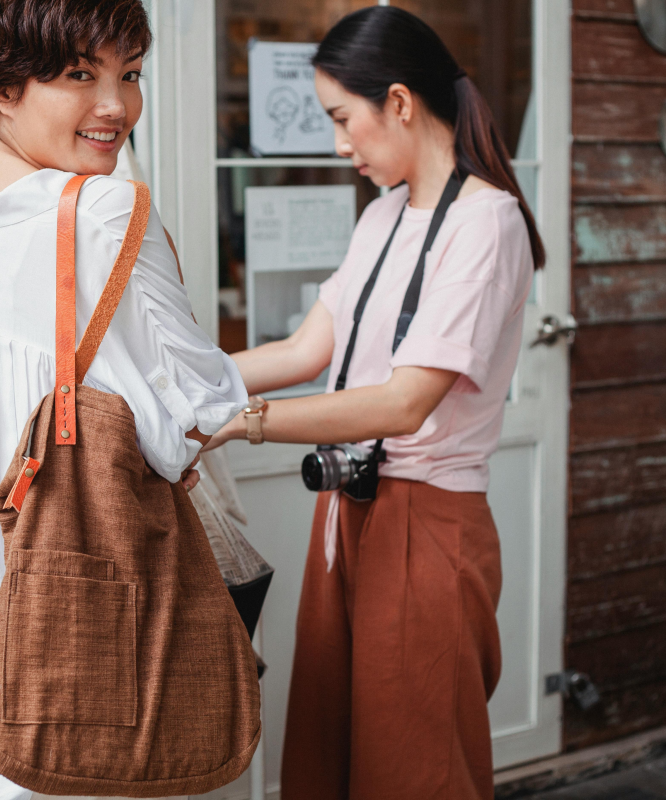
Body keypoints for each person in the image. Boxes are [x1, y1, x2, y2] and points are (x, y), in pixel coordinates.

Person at [0, 1, 246, 798]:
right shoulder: (105, 213)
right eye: (81, 74)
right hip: (57, 662)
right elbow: (194, 419)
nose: (117, 105)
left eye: (130, 74)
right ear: (3, 83)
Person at [204, 6, 544, 799]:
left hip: (427, 524)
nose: (337, 144)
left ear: (397, 102)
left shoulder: (487, 222)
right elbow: (303, 352)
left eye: (342, 119)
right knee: (329, 755)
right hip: (350, 513)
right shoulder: (386, 213)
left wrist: (241, 424)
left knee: (414, 771)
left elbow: (402, 404)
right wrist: (184, 377)